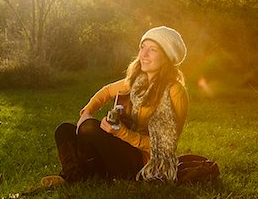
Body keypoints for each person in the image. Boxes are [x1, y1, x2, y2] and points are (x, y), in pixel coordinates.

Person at [41, 26, 189, 187]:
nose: (143, 55)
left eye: (152, 50)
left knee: (89, 128)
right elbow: (107, 91)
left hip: (142, 162)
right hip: (120, 150)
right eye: (142, 47)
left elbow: (164, 147)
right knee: (64, 130)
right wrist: (87, 111)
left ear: (167, 57)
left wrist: (122, 133)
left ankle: (82, 174)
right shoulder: (137, 82)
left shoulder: (175, 91)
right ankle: (73, 174)